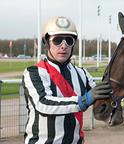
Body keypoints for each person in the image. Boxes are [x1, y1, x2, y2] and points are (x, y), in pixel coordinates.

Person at [22, 16, 111, 144]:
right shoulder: (34, 72)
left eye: (69, 41)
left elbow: (102, 100)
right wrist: (83, 100)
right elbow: (43, 103)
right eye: (57, 40)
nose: (63, 46)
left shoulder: (83, 74)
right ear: (46, 43)